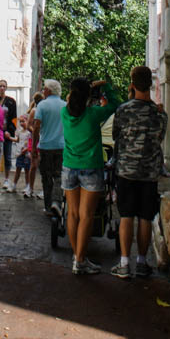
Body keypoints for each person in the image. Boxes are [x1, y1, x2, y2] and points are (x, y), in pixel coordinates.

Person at [111, 65, 167, 279]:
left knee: (126, 215)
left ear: (132, 84)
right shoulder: (159, 114)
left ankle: (124, 263)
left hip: (126, 170)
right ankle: (142, 262)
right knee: (145, 216)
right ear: (151, 85)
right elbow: (160, 137)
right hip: (149, 172)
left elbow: (116, 135)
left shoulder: (124, 110)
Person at [61, 78, 121, 275]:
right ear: (87, 95)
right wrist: (105, 87)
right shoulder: (94, 114)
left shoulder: (64, 113)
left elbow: (73, 101)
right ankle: (80, 259)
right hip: (90, 167)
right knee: (87, 215)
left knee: (72, 213)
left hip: (69, 166)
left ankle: (77, 257)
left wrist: (82, 93)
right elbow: (115, 105)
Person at [32, 80, 66, 215]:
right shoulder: (65, 105)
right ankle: (56, 202)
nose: (43, 91)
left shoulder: (42, 105)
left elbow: (36, 127)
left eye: (45, 89)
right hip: (61, 146)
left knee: (46, 177)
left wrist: (34, 147)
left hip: (46, 146)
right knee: (59, 175)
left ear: (49, 90)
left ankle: (47, 206)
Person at [0, 79, 17, 191]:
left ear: (6, 88)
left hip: (6, 132)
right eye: (0, 86)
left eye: (4, 86)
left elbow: (14, 118)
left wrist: (10, 130)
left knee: (7, 156)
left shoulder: (11, 101)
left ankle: (7, 179)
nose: (2, 88)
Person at [25, 91, 44, 198]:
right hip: (35, 140)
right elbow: (28, 126)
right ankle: (30, 187)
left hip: (43, 139)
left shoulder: (44, 110)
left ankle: (42, 189)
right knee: (34, 165)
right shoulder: (34, 110)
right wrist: (36, 132)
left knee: (42, 166)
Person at [9, 115, 32, 193]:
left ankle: (28, 186)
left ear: (27, 121)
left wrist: (27, 149)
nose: (22, 123)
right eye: (20, 122)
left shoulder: (29, 132)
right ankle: (14, 185)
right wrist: (9, 138)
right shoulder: (19, 131)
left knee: (27, 170)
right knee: (18, 170)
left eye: (23, 121)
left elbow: (31, 143)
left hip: (27, 154)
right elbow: (17, 140)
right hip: (19, 153)